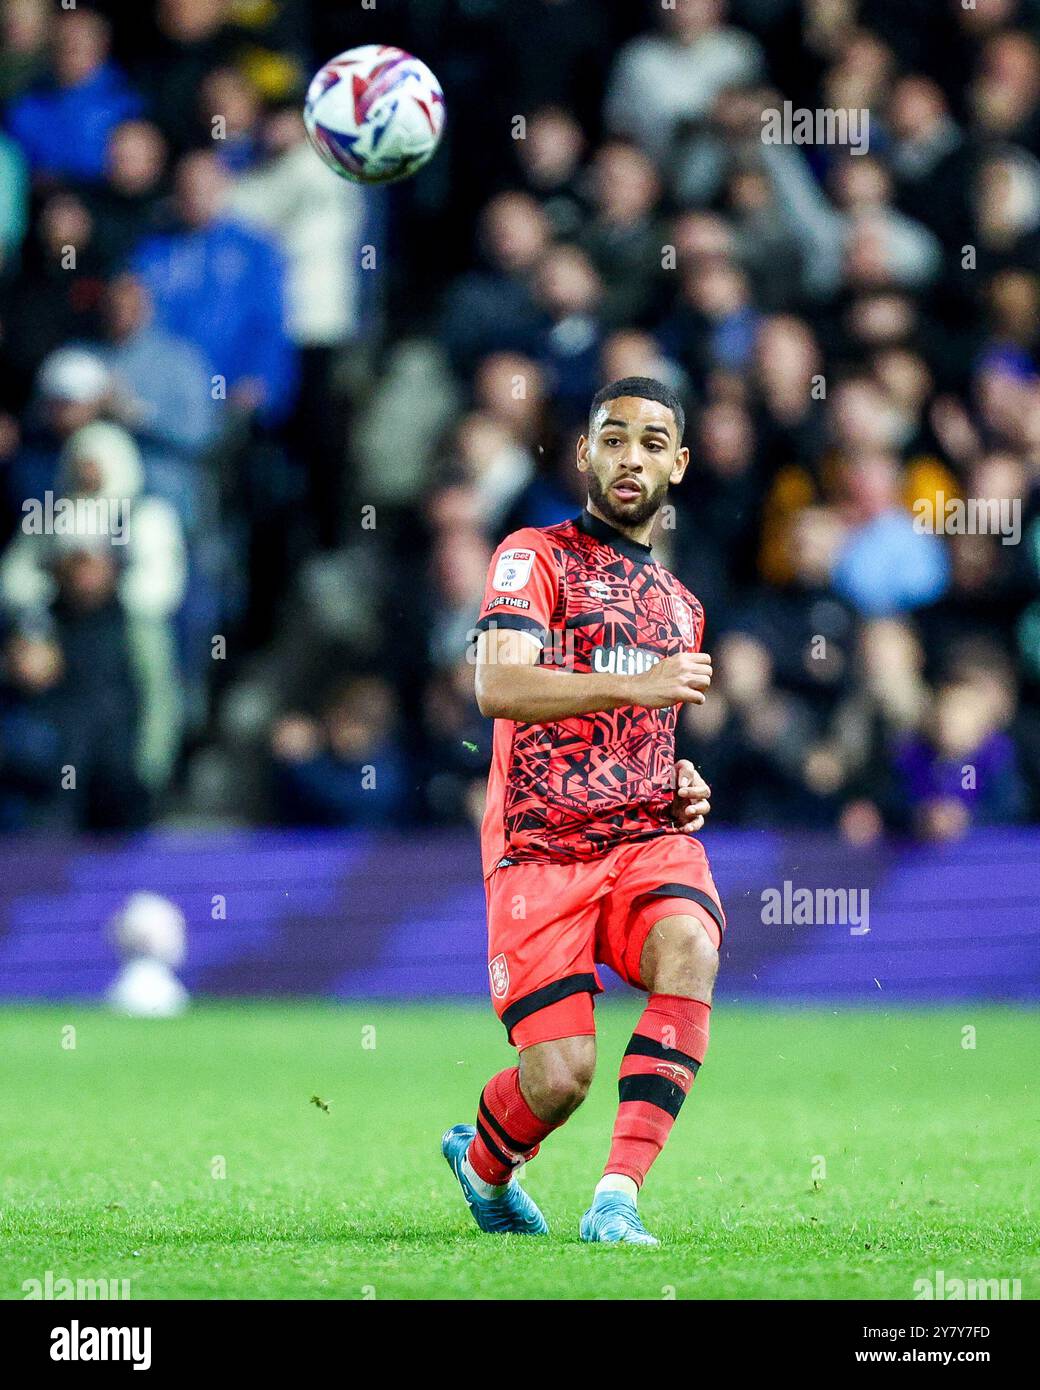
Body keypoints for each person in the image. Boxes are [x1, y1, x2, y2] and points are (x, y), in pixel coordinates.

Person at [442, 377, 723, 1246]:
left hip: (644, 841)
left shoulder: (682, 606)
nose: (630, 457)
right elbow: (498, 683)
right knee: (560, 1078)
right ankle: (483, 1165)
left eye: (651, 443)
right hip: (540, 850)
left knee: (692, 946)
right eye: (613, 438)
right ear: (584, 453)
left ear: (679, 464)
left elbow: (641, 732)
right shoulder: (534, 556)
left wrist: (678, 777)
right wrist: (636, 685)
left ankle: (616, 1198)